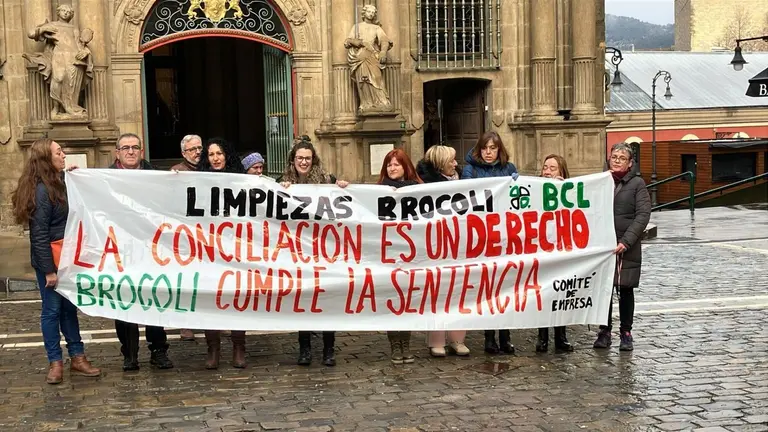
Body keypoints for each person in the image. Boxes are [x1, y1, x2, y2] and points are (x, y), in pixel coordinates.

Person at [11, 138, 101, 384]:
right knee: (51, 311)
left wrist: (74, 177)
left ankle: (77, 357)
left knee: (69, 309)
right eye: (59, 152)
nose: (64, 155)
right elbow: (38, 234)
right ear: (45, 159)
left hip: (67, 257)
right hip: (52, 259)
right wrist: (49, 271)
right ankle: (56, 361)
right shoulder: (42, 191)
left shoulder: (58, 182)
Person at [279, 140, 348, 366]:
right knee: (303, 300)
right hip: (296, 253)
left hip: (323, 252)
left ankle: (329, 348)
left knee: (326, 299)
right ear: (293, 159)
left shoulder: (326, 181)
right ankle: (305, 348)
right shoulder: (283, 182)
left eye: (307, 158)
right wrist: (280, 190)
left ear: (313, 160)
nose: (304, 162)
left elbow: (345, 200)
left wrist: (344, 186)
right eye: (300, 158)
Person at [110, 133, 174, 370]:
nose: (130, 151)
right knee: (123, 301)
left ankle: (158, 349)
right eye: (125, 148)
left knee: (154, 299)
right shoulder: (104, 178)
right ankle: (129, 353)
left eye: (134, 147)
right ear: (117, 153)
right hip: (121, 250)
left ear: (141, 151)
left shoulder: (156, 176)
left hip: (151, 249)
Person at [461, 131, 518, 354]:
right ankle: (489, 337)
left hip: (505, 235)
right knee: (488, 288)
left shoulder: (509, 168)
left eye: (493, 148)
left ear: (499, 149)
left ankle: (506, 336)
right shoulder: (470, 169)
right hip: (481, 236)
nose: (488, 152)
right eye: (485, 148)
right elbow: (464, 195)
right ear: (479, 149)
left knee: (506, 287)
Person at [197, 137, 249, 368]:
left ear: (227, 155)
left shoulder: (243, 181)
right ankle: (213, 348)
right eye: (211, 154)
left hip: (236, 249)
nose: (216, 158)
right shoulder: (196, 181)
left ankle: (239, 346)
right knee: (211, 298)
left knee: (237, 297)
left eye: (219, 153)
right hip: (208, 250)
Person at [593, 143, 651, 352]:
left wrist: (626, 241)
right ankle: (604, 330)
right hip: (604, 246)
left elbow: (642, 215)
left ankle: (626, 332)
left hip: (627, 245)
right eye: (614, 156)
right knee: (604, 290)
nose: (617, 160)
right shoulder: (600, 182)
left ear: (630, 163)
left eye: (622, 158)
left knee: (625, 289)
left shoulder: (637, 184)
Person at [416, 145, 470, 357]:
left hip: (461, 243)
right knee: (436, 291)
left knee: (460, 290)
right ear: (440, 164)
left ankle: (457, 338)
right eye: (451, 161)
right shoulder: (423, 185)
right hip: (434, 245)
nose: (456, 164)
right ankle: (436, 340)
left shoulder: (465, 182)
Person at [377, 149, 423, 364]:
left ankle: (406, 343)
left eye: (396, 164)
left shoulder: (420, 191)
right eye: (389, 165)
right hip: (388, 255)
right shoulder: (378, 192)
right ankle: (395, 345)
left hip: (412, 255)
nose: (392, 168)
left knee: (409, 300)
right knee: (393, 301)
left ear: (406, 167)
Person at [536, 154, 574, 353]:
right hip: (541, 249)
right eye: (545, 167)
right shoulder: (533, 191)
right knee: (543, 294)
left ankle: (561, 336)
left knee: (561, 294)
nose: (548, 171)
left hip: (562, 250)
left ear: (562, 172)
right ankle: (542, 337)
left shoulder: (570, 191)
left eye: (553, 168)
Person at [170, 134, 202, 341]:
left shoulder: (211, 170)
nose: (198, 152)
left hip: (209, 234)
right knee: (186, 280)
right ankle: (185, 323)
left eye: (200, 148)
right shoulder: (176, 172)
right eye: (193, 149)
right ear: (184, 153)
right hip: (185, 235)